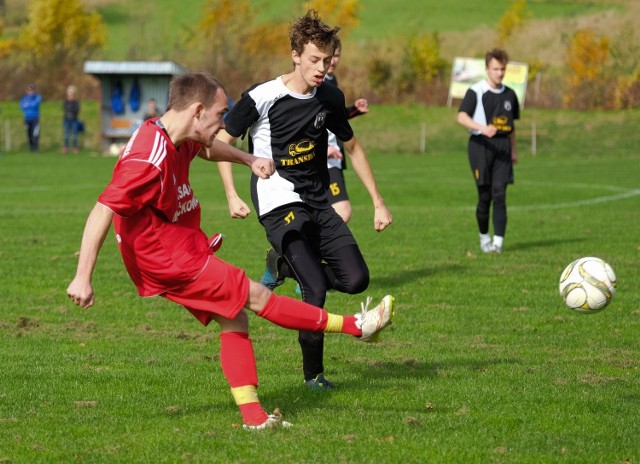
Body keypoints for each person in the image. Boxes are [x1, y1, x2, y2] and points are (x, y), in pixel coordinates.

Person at [66, 71, 394, 430]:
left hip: (177, 244)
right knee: (253, 295)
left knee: (234, 317)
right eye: (221, 115)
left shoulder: (173, 131)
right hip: (167, 257)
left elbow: (206, 149)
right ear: (198, 110)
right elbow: (103, 209)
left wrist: (248, 160)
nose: (224, 123)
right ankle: (356, 326)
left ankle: (254, 418)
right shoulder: (147, 158)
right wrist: (83, 277)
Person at [215, 11, 393, 391]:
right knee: (314, 288)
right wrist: (231, 193)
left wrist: (378, 201)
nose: (321, 68)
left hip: (316, 198)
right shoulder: (261, 97)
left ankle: (281, 267)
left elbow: (354, 147)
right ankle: (313, 376)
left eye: (327, 61)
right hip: (276, 198)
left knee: (357, 279)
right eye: (314, 59)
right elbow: (219, 143)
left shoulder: (329, 95)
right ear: (295, 54)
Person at [457, 48, 519, 254]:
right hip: (480, 146)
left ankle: (498, 244)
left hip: (503, 148)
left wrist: (514, 151)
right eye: (495, 69)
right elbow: (461, 117)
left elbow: (512, 127)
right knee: (485, 197)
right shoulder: (476, 91)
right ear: (487, 69)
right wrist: (483, 128)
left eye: (502, 69)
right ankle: (484, 238)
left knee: (500, 194)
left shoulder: (510, 94)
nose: (499, 73)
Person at [19, 83, 42, 152]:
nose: (30, 92)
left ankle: (35, 148)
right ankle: (31, 147)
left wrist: (28, 104)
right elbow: (22, 106)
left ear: (34, 90)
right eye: (29, 90)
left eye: (32, 90)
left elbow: (35, 104)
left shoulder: (37, 97)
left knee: (35, 133)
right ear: (27, 91)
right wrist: (29, 105)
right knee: (28, 133)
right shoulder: (24, 98)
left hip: (35, 118)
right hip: (27, 118)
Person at [62, 85, 81, 154]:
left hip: (74, 120)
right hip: (66, 120)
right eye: (69, 95)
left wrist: (71, 113)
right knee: (66, 135)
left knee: (74, 135)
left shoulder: (76, 103)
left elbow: (76, 110)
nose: (70, 96)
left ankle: (75, 148)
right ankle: (65, 148)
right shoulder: (65, 102)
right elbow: (65, 109)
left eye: (71, 95)